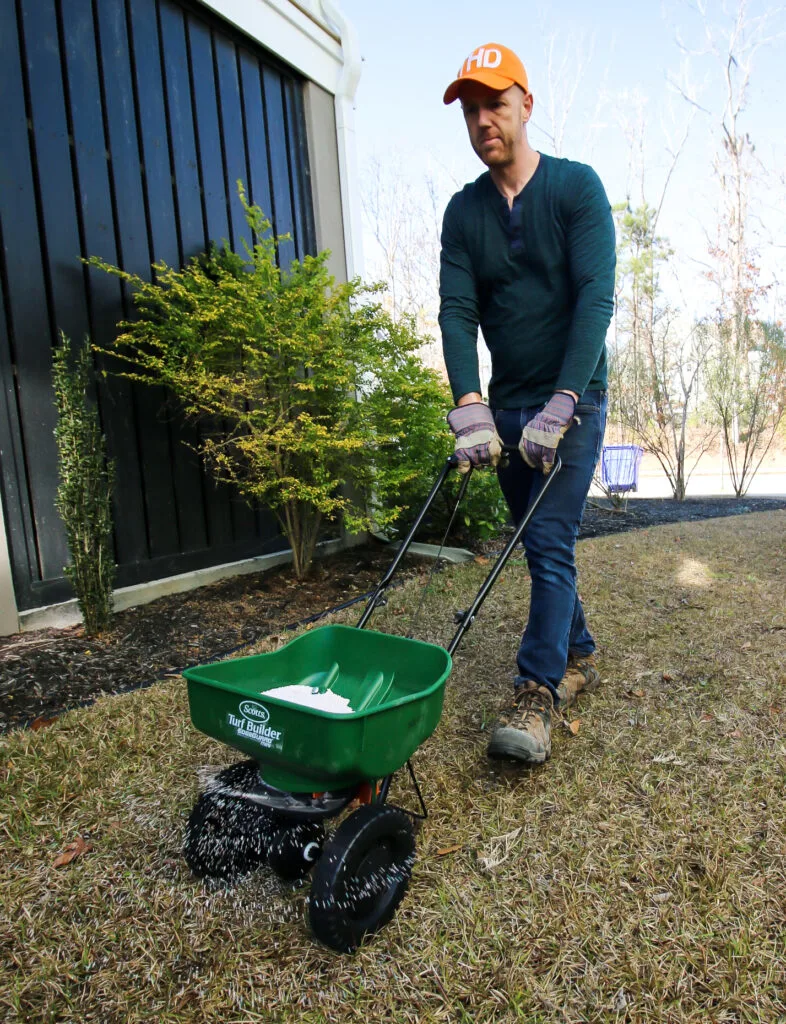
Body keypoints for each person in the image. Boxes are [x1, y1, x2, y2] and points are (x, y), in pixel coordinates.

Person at [439, 42, 616, 765]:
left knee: (545, 544)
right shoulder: (463, 212)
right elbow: (456, 311)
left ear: (526, 106)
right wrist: (469, 403)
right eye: (472, 109)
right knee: (540, 543)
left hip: (574, 401)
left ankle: (535, 692)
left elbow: (595, 298)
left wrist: (566, 399)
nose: (484, 119)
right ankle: (577, 651)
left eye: (496, 103)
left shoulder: (577, 188)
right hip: (504, 407)